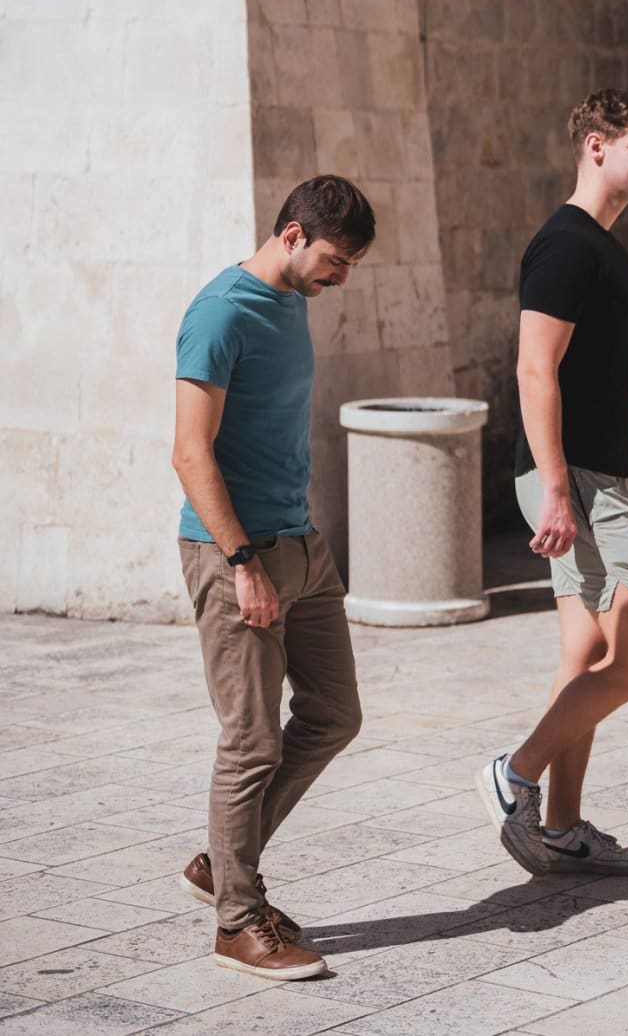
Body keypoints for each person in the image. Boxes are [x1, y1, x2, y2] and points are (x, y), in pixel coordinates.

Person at [171, 175, 375, 980]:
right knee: (252, 740)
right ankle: (235, 920)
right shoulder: (219, 314)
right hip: (238, 554)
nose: (342, 278)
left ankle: (221, 861)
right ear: (292, 235)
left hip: (301, 545)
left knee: (334, 714)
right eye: (336, 260)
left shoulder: (293, 299)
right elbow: (190, 452)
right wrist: (241, 562)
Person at [477, 89, 628, 877]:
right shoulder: (565, 246)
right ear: (595, 146)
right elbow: (535, 370)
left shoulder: (602, 246)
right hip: (580, 481)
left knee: (587, 652)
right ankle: (515, 774)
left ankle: (561, 826)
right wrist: (557, 490)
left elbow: (609, 379)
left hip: (607, 475)